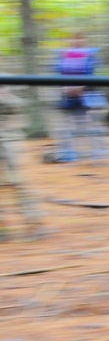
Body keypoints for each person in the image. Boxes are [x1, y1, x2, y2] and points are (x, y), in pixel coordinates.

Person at [54, 34, 108, 163]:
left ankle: (99, 155)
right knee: (66, 126)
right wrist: (64, 88)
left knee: (94, 124)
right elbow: (57, 72)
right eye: (73, 38)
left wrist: (83, 87)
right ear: (67, 40)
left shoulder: (91, 54)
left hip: (90, 94)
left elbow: (96, 72)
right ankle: (68, 156)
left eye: (79, 38)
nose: (76, 41)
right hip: (67, 95)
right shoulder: (62, 55)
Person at [0, 84, 44, 239]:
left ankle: (35, 224)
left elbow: (17, 104)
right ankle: (2, 229)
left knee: (18, 183)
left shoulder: (5, 87)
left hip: (9, 142)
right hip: (8, 141)